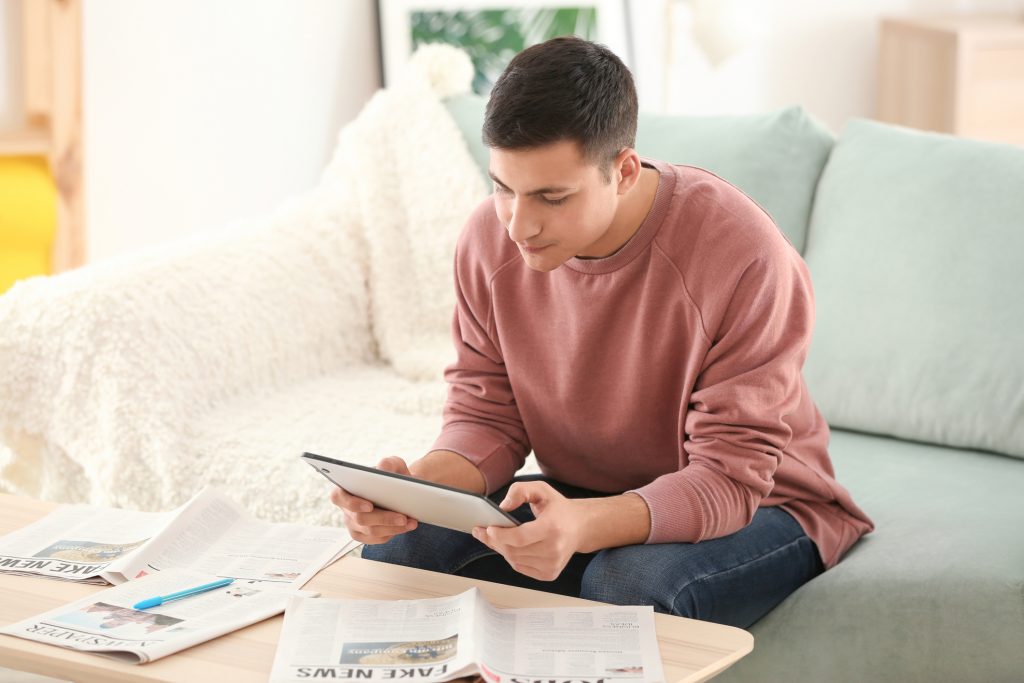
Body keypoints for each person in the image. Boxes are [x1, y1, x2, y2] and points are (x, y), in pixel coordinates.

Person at [331, 36, 874, 629]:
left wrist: (584, 526)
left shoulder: (745, 257)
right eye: (503, 187)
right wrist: (413, 493)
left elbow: (727, 481)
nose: (518, 224)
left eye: (551, 197)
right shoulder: (490, 238)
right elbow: (487, 414)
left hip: (768, 505)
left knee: (622, 585)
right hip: (582, 493)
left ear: (623, 170)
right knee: (401, 552)